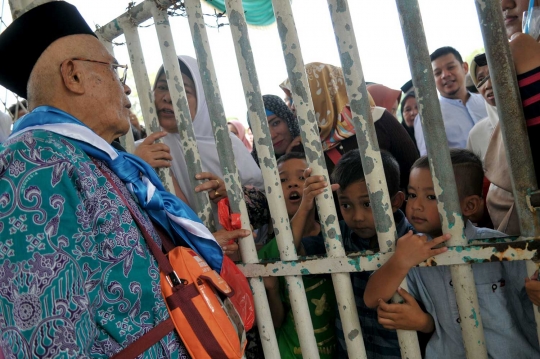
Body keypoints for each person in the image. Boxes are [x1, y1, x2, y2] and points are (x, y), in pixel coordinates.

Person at [0, 3, 245, 357]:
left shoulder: (87, 158)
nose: (127, 89)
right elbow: (42, 335)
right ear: (73, 76)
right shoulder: (35, 159)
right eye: (115, 70)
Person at [364, 149, 540, 358]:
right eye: (412, 195)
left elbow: (533, 282)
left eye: (431, 196)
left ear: (469, 205)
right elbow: (371, 299)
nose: (416, 206)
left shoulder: (497, 246)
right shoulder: (413, 252)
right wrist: (400, 261)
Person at [136, 55, 265, 224]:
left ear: (203, 99)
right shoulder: (141, 150)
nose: (167, 97)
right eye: (161, 87)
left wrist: (232, 194)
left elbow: (267, 206)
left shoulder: (227, 145)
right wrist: (135, 164)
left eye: (182, 90)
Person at [321, 149, 407, 358]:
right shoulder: (337, 236)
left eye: (368, 203)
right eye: (346, 205)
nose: (357, 217)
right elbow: (295, 251)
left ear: (396, 201)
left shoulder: (415, 242)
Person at [278, 62, 418, 189]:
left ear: (324, 93)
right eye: (292, 100)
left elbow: (412, 170)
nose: (294, 107)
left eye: (299, 98)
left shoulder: (376, 119)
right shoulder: (305, 145)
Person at [258, 152, 338, 358]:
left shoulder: (339, 237)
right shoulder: (267, 250)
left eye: (302, 177)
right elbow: (274, 322)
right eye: (283, 180)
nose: (293, 184)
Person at [413, 47, 487, 156]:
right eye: (437, 73)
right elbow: (430, 161)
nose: (445, 75)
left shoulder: (485, 101)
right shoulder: (428, 116)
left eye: (451, 67)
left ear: (465, 68)